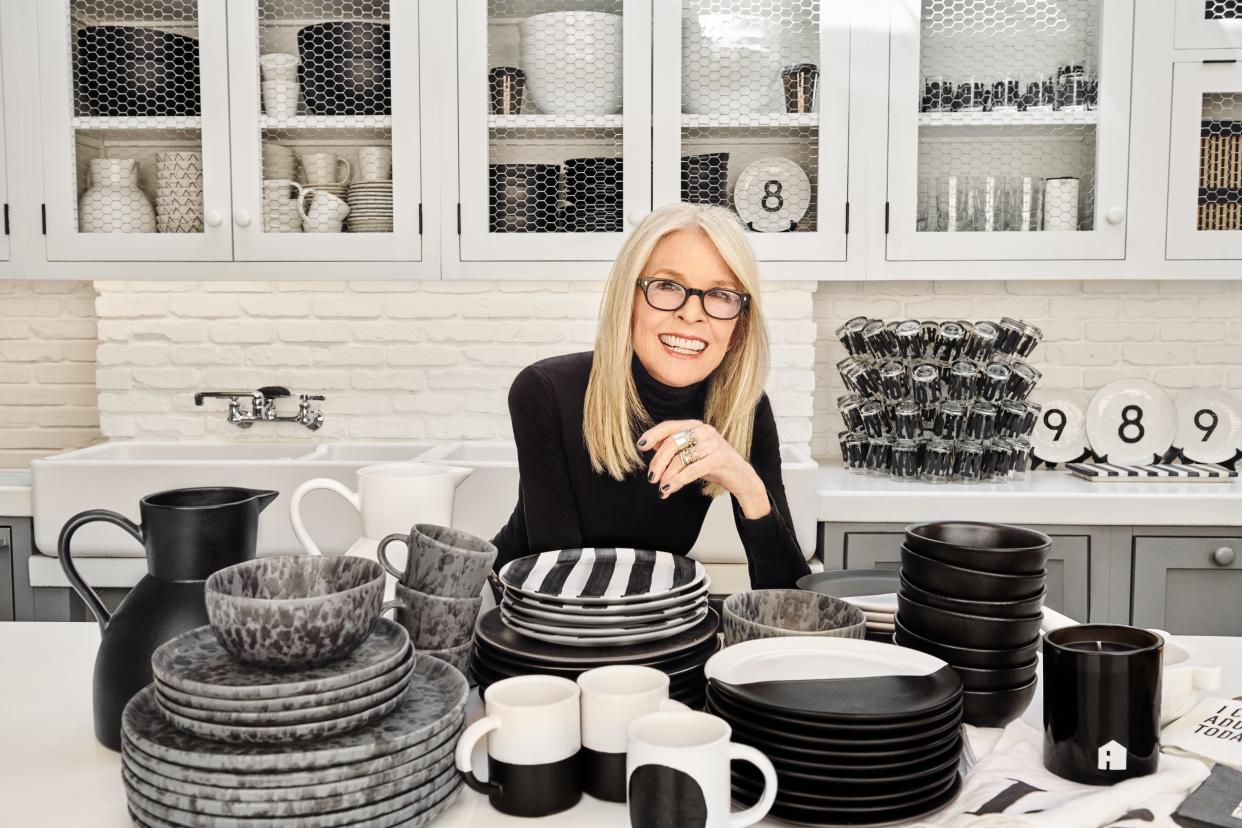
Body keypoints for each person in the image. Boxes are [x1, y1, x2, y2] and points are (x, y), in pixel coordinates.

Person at [490, 202, 809, 590]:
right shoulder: (546, 391)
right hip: (518, 614)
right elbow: (562, 586)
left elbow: (791, 600)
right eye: (667, 286)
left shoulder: (743, 411)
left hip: (646, 619)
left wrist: (746, 483)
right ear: (629, 303)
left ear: (739, 327)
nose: (692, 315)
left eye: (721, 294)